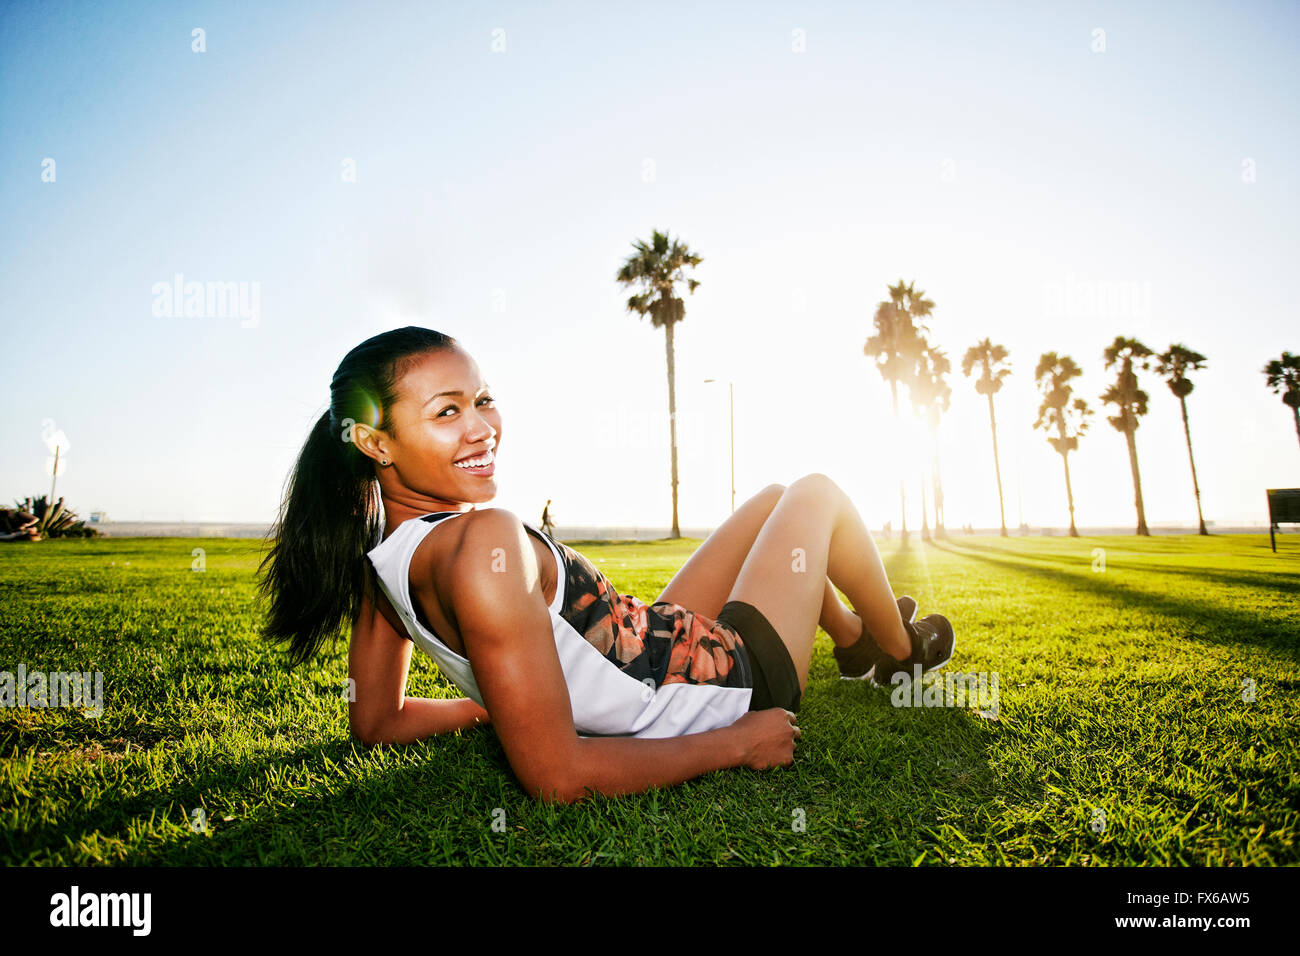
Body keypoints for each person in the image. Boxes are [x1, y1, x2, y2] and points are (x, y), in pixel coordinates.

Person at [260, 327, 955, 804]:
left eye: (481, 399)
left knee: (774, 500)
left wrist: (506, 704)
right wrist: (736, 745)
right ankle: (897, 652)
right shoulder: (481, 547)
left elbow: (376, 722)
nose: (482, 427)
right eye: (447, 411)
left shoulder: (384, 566)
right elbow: (561, 780)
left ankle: (852, 636)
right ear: (378, 443)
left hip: (651, 641)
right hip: (728, 684)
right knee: (817, 493)